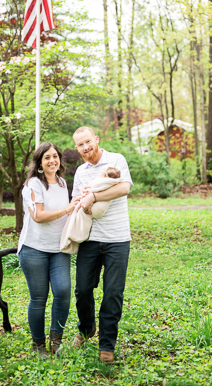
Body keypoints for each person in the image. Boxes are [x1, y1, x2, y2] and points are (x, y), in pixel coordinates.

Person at [71, 126, 133, 364]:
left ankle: (107, 345)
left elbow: (124, 188)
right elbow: (77, 200)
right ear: (77, 149)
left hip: (117, 239)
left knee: (113, 293)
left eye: (88, 142)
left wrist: (94, 196)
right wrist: (84, 202)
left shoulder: (116, 160)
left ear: (96, 139)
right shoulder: (81, 171)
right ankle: (87, 329)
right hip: (89, 238)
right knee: (83, 290)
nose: (85, 148)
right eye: (80, 145)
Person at [18, 142, 78, 358]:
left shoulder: (62, 183)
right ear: (39, 162)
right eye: (47, 157)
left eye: (55, 156)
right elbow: (38, 216)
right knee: (39, 298)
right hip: (34, 248)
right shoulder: (34, 184)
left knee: (62, 291)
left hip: (58, 248)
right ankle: (38, 345)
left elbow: (67, 213)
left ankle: (56, 341)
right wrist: (67, 209)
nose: (52, 160)